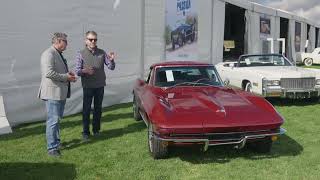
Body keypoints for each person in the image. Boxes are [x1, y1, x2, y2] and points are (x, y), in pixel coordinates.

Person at [38, 32, 76, 157]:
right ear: (59, 41)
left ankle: (56, 143)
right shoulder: (48, 53)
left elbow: (57, 71)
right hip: (52, 93)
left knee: (56, 120)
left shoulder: (57, 53)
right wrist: (66, 77)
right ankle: (52, 148)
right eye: (65, 41)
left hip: (59, 93)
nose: (67, 44)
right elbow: (48, 73)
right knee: (53, 121)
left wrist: (68, 75)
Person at [75, 31, 115, 140]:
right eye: (90, 39)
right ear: (86, 41)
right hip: (87, 86)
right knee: (86, 110)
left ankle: (96, 130)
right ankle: (85, 132)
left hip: (99, 86)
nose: (93, 41)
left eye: (95, 39)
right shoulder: (80, 53)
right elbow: (77, 71)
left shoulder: (102, 52)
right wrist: (85, 71)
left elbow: (111, 67)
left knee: (98, 109)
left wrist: (112, 60)